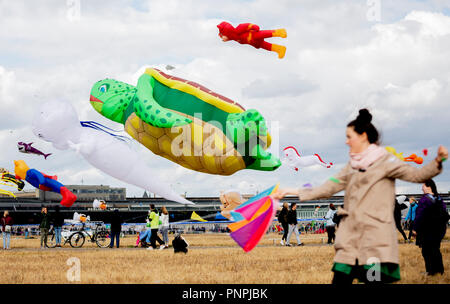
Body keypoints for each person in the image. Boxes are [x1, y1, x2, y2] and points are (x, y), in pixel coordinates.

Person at [274, 108, 447, 284]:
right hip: (351, 239)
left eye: (350, 137)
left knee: (374, 279)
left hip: (375, 240)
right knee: (341, 279)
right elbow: (326, 188)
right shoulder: (351, 167)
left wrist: (438, 162)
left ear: (363, 137)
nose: (347, 142)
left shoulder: (386, 163)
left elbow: (416, 176)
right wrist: (292, 191)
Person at [412, 179, 449, 276]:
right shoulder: (439, 199)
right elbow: (445, 213)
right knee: (436, 249)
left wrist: (415, 229)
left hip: (427, 230)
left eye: (423, 186)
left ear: (429, 187)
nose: (421, 188)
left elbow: (419, 215)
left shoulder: (424, 200)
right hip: (439, 230)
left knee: (427, 251)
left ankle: (431, 271)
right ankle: (439, 270)